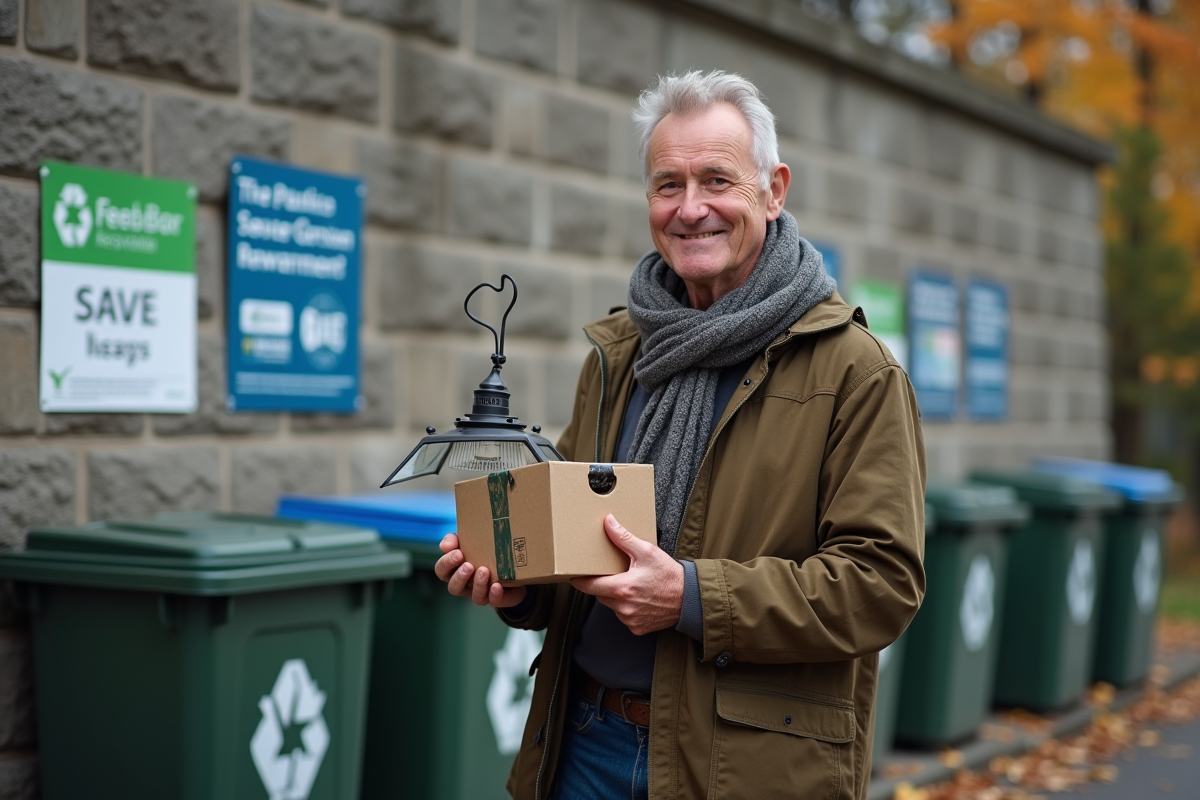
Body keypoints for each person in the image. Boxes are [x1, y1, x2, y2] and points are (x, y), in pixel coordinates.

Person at [435, 70, 926, 800]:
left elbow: (880, 585)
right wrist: (515, 587)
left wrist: (692, 597)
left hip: (743, 769)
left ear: (774, 190)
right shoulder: (619, 356)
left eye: (717, 181)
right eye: (668, 185)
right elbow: (577, 550)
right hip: (583, 745)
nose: (691, 208)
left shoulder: (855, 372)